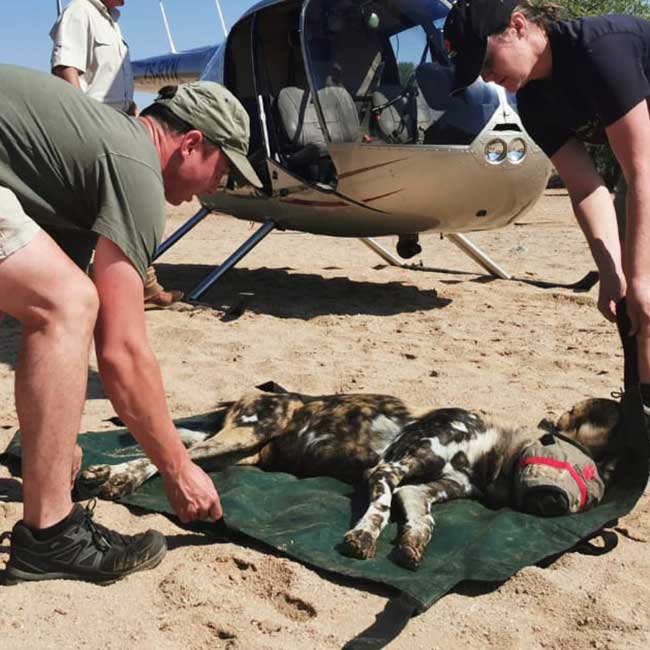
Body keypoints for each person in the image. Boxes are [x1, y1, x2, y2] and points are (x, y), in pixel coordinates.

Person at [0, 63, 262, 584]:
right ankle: (51, 538)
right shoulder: (137, 167)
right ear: (190, 143)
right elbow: (121, 353)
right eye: (223, 168)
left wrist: (54, 442)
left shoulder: (94, 152)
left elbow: (57, 335)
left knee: (57, 303)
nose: (215, 188)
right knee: (67, 303)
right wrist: (177, 468)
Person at [444, 0, 650, 407]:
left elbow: (643, 170)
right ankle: (641, 409)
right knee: (632, 307)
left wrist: (642, 278)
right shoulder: (535, 104)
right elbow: (585, 186)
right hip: (642, 173)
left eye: (485, 60)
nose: (488, 76)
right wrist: (612, 272)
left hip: (646, 167)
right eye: (478, 72)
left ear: (518, 26)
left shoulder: (599, 50)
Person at [50, 0, 182, 308]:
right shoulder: (79, 10)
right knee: (91, 214)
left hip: (117, 125)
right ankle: (68, 293)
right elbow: (65, 68)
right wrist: (84, 120)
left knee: (125, 208)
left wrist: (131, 109)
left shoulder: (110, 21)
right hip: (93, 130)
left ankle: (145, 285)